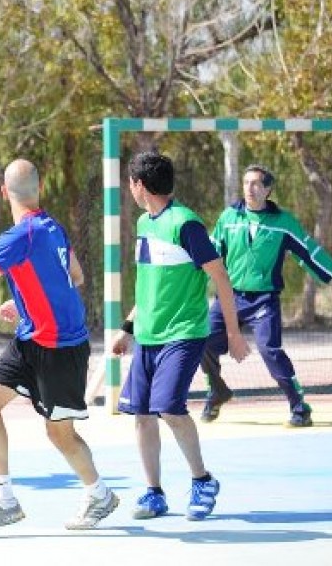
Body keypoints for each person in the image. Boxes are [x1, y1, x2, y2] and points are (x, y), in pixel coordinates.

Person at [0, 159, 119, 532]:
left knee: (59, 433)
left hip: (61, 348)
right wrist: (24, 302)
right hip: (30, 338)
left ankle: (99, 493)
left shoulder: (19, 236)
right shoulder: (52, 227)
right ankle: (3, 500)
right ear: (39, 188)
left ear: (4, 193)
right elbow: (75, 276)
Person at [111, 150, 249, 521]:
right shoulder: (144, 224)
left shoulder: (186, 224)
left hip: (184, 333)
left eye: (130, 182)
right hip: (148, 336)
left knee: (170, 408)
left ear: (139, 185)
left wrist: (233, 333)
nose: (130, 188)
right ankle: (154, 492)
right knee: (141, 414)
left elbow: (220, 277)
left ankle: (202, 481)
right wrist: (127, 329)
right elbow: (148, 286)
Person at [200, 164, 332, 428]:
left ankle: (299, 406)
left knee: (270, 350)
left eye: (256, 184)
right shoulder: (228, 218)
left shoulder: (283, 222)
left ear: (268, 189)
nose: (250, 188)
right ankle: (217, 390)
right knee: (203, 340)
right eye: (246, 183)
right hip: (229, 297)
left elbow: (311, 253)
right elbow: (209, 253)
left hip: (263, 300)